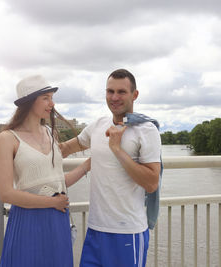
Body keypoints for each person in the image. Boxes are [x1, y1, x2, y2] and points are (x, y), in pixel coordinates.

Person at [59, 69, 162, 267]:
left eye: (121, 92)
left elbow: (151, 183)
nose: (114, 97)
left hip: (127, 233)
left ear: (135, 95)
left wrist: (117, 149)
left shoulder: (146, 130)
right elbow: (63, 149)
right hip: (96, 230)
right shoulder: (98, 125)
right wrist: (15, 149)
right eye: (110, 91)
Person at [0, 74, 90, 267]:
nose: (52, 104)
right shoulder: (7, 138)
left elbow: (56, 181)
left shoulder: (50, 133)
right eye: (45, 98)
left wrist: (88, 164)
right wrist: (51, 202)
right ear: (29, 102)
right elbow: (6, 194)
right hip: (28, 221)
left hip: (57, 218)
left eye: (52, 98)